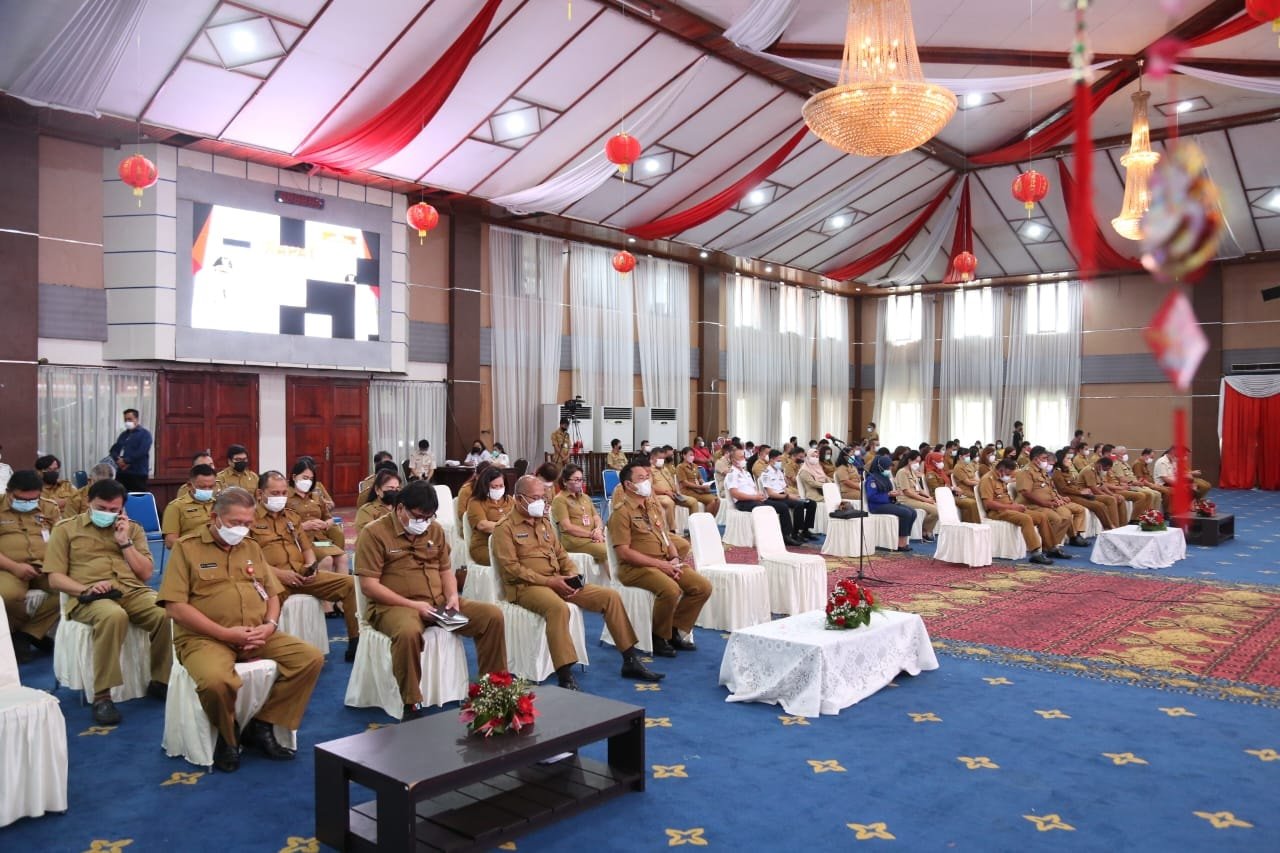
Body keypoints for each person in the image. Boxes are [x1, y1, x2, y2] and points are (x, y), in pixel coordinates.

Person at [159, 488, 324, 772]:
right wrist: (225, 634)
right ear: (215, 518)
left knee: (310, 659)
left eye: (248, 523)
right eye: (235, 522)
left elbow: (272, 594)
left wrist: (269, 626)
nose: (242, 529)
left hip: (256, 632)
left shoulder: (251, 547)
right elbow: (175, 607)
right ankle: (228, 736)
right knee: (215, 681)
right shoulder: (187, 548)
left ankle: (264, 723)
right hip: (205, 638)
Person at [494, 475, 662, 690]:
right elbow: (512, 569)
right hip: (526, 587)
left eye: (543, 497)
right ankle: (565, 674)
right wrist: (550, 581)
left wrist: (572, 575)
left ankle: (630, 660)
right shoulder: (505, 528)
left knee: (609, 597)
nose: (541, 502)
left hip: (559, 580)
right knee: (558, 608)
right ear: (519, 499)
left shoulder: (543, 522)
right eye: (535, 498)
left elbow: (561, 554)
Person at [355, 481, 505, 720]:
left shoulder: (434, 530)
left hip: (438, 603)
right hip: (395, 607)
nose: (424, 522)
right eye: (419, 517)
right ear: (400, 508)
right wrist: (413, 606)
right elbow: (369, 586)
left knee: (491, 616)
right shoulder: (374, 533)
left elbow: (445, 570)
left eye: (429, 517)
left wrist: (453, 596)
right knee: (408, 633)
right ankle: (411, 703)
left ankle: (494, 688)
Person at [44, 478, 172, 724]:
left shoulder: (132, 529)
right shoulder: (66, 529)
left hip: (131, 590)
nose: (108, 513)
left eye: (114, 509)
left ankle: (160, 680)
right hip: (89, 594)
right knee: (113, 616)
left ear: (122, 508)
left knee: (165, 612)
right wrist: (86, 588)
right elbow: (55, 578)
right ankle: (102, 695)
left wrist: (124, 542)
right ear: (88, 502)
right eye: (101, 508)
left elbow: (146, 573)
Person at [251, 472, 360, 663]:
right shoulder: (249, 519)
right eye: (275, 493)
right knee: (262, 607)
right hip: (272, 579)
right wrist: (281, 575)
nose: (281, 497)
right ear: (260, 494)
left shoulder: (291, 517)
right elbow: (249, 560)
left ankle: (355, 643)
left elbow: (307, 548)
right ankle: (267, 652)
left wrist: (311, 565)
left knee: (351, 584)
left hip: (301, 574)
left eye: (284, 493)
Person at [607, 463, 711, 657]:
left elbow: (665, 537)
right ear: (629, 485)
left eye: (647, 477)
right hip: (635, 568)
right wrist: (661, 565)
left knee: (702, 587)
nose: (647, 481)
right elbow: (624, 553)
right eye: (641, 478)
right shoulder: (621, 513)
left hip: (663, 562)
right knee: (671, 589)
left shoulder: (651, 508)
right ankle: (658, 636)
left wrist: (674, 558)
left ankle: (674, 629)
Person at [0, 470, 62, 663]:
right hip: (8, 567)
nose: (27, 503)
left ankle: (27, 634)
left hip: (45, 566)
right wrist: (14, 567)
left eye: (33, 499)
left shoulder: (48, 507)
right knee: (7, 597)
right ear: (9, 492)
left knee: (70, 590)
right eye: (21, 499)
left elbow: (62, 540)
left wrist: (53, 564)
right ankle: (21, 634)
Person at [977, 459, 1054, 565]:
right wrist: (1012, 507)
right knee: (1026, 519)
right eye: (1009, 474)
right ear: (1002, 470)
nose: (1009, 477)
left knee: (1041, 516)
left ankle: (1050, 548)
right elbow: (988, 504)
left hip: (1009, 508)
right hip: (997, 511)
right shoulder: (987, 480)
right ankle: (1035, 553)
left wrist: (1015, 506)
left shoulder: (1001, 477)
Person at [1014, 447, 1089, 554]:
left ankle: (1053, 545)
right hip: (1032, 505)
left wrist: (1056, 499)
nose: (1046, 461)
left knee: (1067, 516)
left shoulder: (1042, 471)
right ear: (1036, 459)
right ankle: (1049, 547)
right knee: (1056, 519)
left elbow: (1050, 488)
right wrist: (1045, 503)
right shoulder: (1026, 472)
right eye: (1044, 458)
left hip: (1048, 503)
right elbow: (1026, 493)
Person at [726, 448, 804, 547]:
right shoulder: (732, 474)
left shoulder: (746, 473)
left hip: (755, 499)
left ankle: (786, 536)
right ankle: (768, 537)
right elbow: (735, 494)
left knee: (782, 507)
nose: (744, 459)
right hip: (743, 502)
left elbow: (753, 489)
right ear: (733, 460)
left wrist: (758, 494)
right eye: (741, 457)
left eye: (744, 457)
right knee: (767, 509)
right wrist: (754, 497)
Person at [286, 460, 348, 574]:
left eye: (310, 479)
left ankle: (340, 585)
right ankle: (322, 585)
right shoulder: (285, 497)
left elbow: (329, 518)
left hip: (320, 539)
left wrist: (325, 524)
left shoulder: (315, 496)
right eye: (305, 478)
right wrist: (302, 526)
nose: (308, 482)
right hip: (300, 540)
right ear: (294, 477)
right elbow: (281, 524)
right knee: (327, 560)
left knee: (343, 558)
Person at [551, 464, 606, 568]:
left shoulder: (585, 497)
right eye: (576, 480)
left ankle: (612, 578)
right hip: (575, 541)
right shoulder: (560, 500)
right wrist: (592, 535)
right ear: (565, 481)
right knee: (607, 551)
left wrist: (598, 530)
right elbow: (567, 527)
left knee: (616, 546)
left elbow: (596, 517)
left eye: (581, 480)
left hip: (593, 537)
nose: (580, 483)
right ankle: (616, 578)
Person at [1053, 449, 1121, 530]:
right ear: (1061, 460)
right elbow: (1063, 489)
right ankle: (1110, 527)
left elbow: (1074, 484)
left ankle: (1111, 526)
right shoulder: (1057, 472)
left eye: (1070, 459)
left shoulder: (1067, 471)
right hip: (1069, 496)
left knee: (1101, 505)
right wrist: (1080, 492)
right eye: (1067, 459)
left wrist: (1083, 491)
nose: (1070, 461)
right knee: (1098, 506)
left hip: (1077, 494)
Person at [863, 455, 915, 552]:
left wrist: (894, 493)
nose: (889, 469)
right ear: (881, 467)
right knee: (906, 513)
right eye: (888, 467)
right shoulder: (872, 479)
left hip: (887, 503)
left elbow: (888, 492)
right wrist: (888, 495)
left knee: (913, 512)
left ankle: (904, 540)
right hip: (876, 506)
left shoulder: (885, 477)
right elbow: (872, 497)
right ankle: (901, 544)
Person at [763, 449, 817, 542]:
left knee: (811, 503)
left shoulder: (779, 472)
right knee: (799, 504)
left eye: (781, 460)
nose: (780, 463)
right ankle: (795, 533)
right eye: (778, 460)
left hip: (784, 496)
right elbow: (770, 494)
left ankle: (805, 530)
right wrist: (788, 496)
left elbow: (784, 488)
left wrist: (793, 495)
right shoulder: (766, 473)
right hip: (775, 498)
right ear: (771, 460)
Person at [466, 466, 513, 568]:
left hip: (509, 544)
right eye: (494, 487)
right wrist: (509, 527)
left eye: (501, 486)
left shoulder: (509, 500)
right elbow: (483, 525)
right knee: (510, 559)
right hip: (485, 546)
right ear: (485, 486)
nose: (498, 489)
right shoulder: (475, 502)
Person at [162, 464, 219, 548]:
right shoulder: (176, 507)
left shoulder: (219, 504)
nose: (207, 490)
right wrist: (193, 549)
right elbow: (170, 541)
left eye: (211, 487)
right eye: (202, 487)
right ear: (189, 485)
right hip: (191, 550)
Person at [924, 449, 979, 524]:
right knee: (970, 503)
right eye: (939, 461)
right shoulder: (930, 474)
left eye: (942, 461)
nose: (942, 463)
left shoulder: (940, 472)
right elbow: (937, 489)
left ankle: (975, 524)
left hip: (949, 494)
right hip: (941, 497)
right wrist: (953, 488)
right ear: (933, 462)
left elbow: (947, 485)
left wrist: (953, 490)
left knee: (971, 502)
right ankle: (969, 524)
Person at [892, 451, 938, 541]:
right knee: (935, 511)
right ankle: (925, 531)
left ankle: (926, 530)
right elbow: (907, 492)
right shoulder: (902, 472)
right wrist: (925, 500)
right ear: (909, 460)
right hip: (906, 500)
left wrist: (928, 497)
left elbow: (919, 489)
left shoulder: (912, 472)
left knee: (937, 507)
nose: (918, 464)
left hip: (915, 498)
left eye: (919, 462)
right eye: (916, 461)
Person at [651, 447, 698, 531]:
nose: (662, 460)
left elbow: (672, 481)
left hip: (673, 494)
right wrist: (666, 492)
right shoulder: (648, 470)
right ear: (652, 457)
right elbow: (650, 487)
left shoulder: (664, 468)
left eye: (663, 458)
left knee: (693, 501)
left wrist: (676, 491)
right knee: (670, 503)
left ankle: (693, 529)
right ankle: (672, 530)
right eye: (660, 458)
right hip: (660, 495)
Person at [109, 408, 153, 492]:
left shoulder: (145, 434)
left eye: (129, 419)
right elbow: (114, 450)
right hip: (122, 473)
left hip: (137, 473)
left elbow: (142, 451)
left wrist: (126, 461)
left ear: (136, 419)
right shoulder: (123, 435)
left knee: (137, 496)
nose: (127, 422)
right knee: (120, 495)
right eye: (125, 420)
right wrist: (118, 460)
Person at [1080, 456, 1131, 525]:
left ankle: (1123, 525)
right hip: (1087, 494)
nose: (1106, 471)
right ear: (1100, 465)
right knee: (1111, 499)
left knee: (1120, 497)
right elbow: (1094, 489)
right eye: (1105, 469)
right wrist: (1109, 496)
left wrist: (1112, 494)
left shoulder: (1097, 470)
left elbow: (1102, 485)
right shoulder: (1089, 470)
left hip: (1095, 493)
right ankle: (1115, 525)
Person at [676, 446, 720, 516]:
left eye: (693, 455)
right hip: (688, 491)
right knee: (712, 501)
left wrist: (704, 484)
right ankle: (705, 520)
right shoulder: (680, 467)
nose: (692, 457)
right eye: (690, 455)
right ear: (684, 456)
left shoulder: (695, 466)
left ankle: (711, 519)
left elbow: (700, 478)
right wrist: (700, 487)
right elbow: (684, 483)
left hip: (699, 490)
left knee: (717, 500)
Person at [454, 460, 491, 524]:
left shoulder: (493, 488)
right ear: (477, 476)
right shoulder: (466, 490)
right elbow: (461, 515)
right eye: (484, 477)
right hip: (472, 524)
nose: (487, 480)